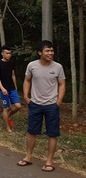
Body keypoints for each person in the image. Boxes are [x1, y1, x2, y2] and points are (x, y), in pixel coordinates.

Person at [17, 40, 66, 172]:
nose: (51, 53)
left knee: (52, 133)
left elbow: (61, 84)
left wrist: (59, 101)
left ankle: (49, 161)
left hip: (52, 105)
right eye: (47, 51)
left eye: (52, 50)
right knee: (32, 131)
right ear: (40, 53)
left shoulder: (58, 67)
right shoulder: (32, 65)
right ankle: (28, 157)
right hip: (35, 104)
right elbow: (27, 80)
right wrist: (26, 97)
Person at [0, 45, 21, 133]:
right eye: (7, 53)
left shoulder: (11, 63)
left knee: (18, 106)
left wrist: (15, 86)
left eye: (10, 53)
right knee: (6, 108)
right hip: (3, 89)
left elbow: (13, 75)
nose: (9, 55)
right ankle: (7, 127)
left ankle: (8, 116)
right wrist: (2, 88)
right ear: (2, 54)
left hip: (12, 88)